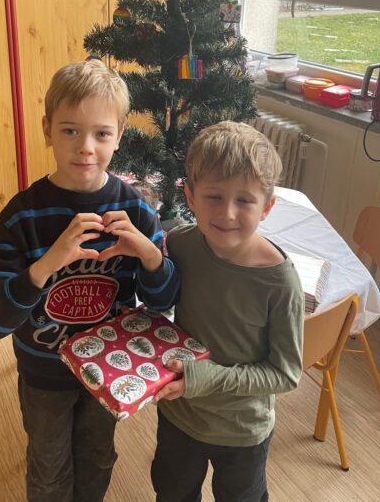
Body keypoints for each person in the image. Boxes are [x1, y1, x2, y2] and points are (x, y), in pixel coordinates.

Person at [0, 59, 178, 502]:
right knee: (48, 468)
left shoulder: (137, 211)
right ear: (47, 130)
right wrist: (45, 265)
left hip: (109, 368)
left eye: (101, 133)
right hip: (44, 373)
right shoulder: (22, 216)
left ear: (119, 136)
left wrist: (149, 255)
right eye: (69, 130)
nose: (85, 147)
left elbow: (163, 301)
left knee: (98, 455)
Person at [152, 121, 304, 502]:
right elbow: (160, 302)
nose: (228, 214)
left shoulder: (280, 282)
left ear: (267, 207)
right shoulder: (180, 244)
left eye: (245, 201)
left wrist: (207, 377)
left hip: (242, 430)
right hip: (179, 415)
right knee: (172, 493)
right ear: (190, 197)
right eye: (214, 196)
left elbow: (285, 373)